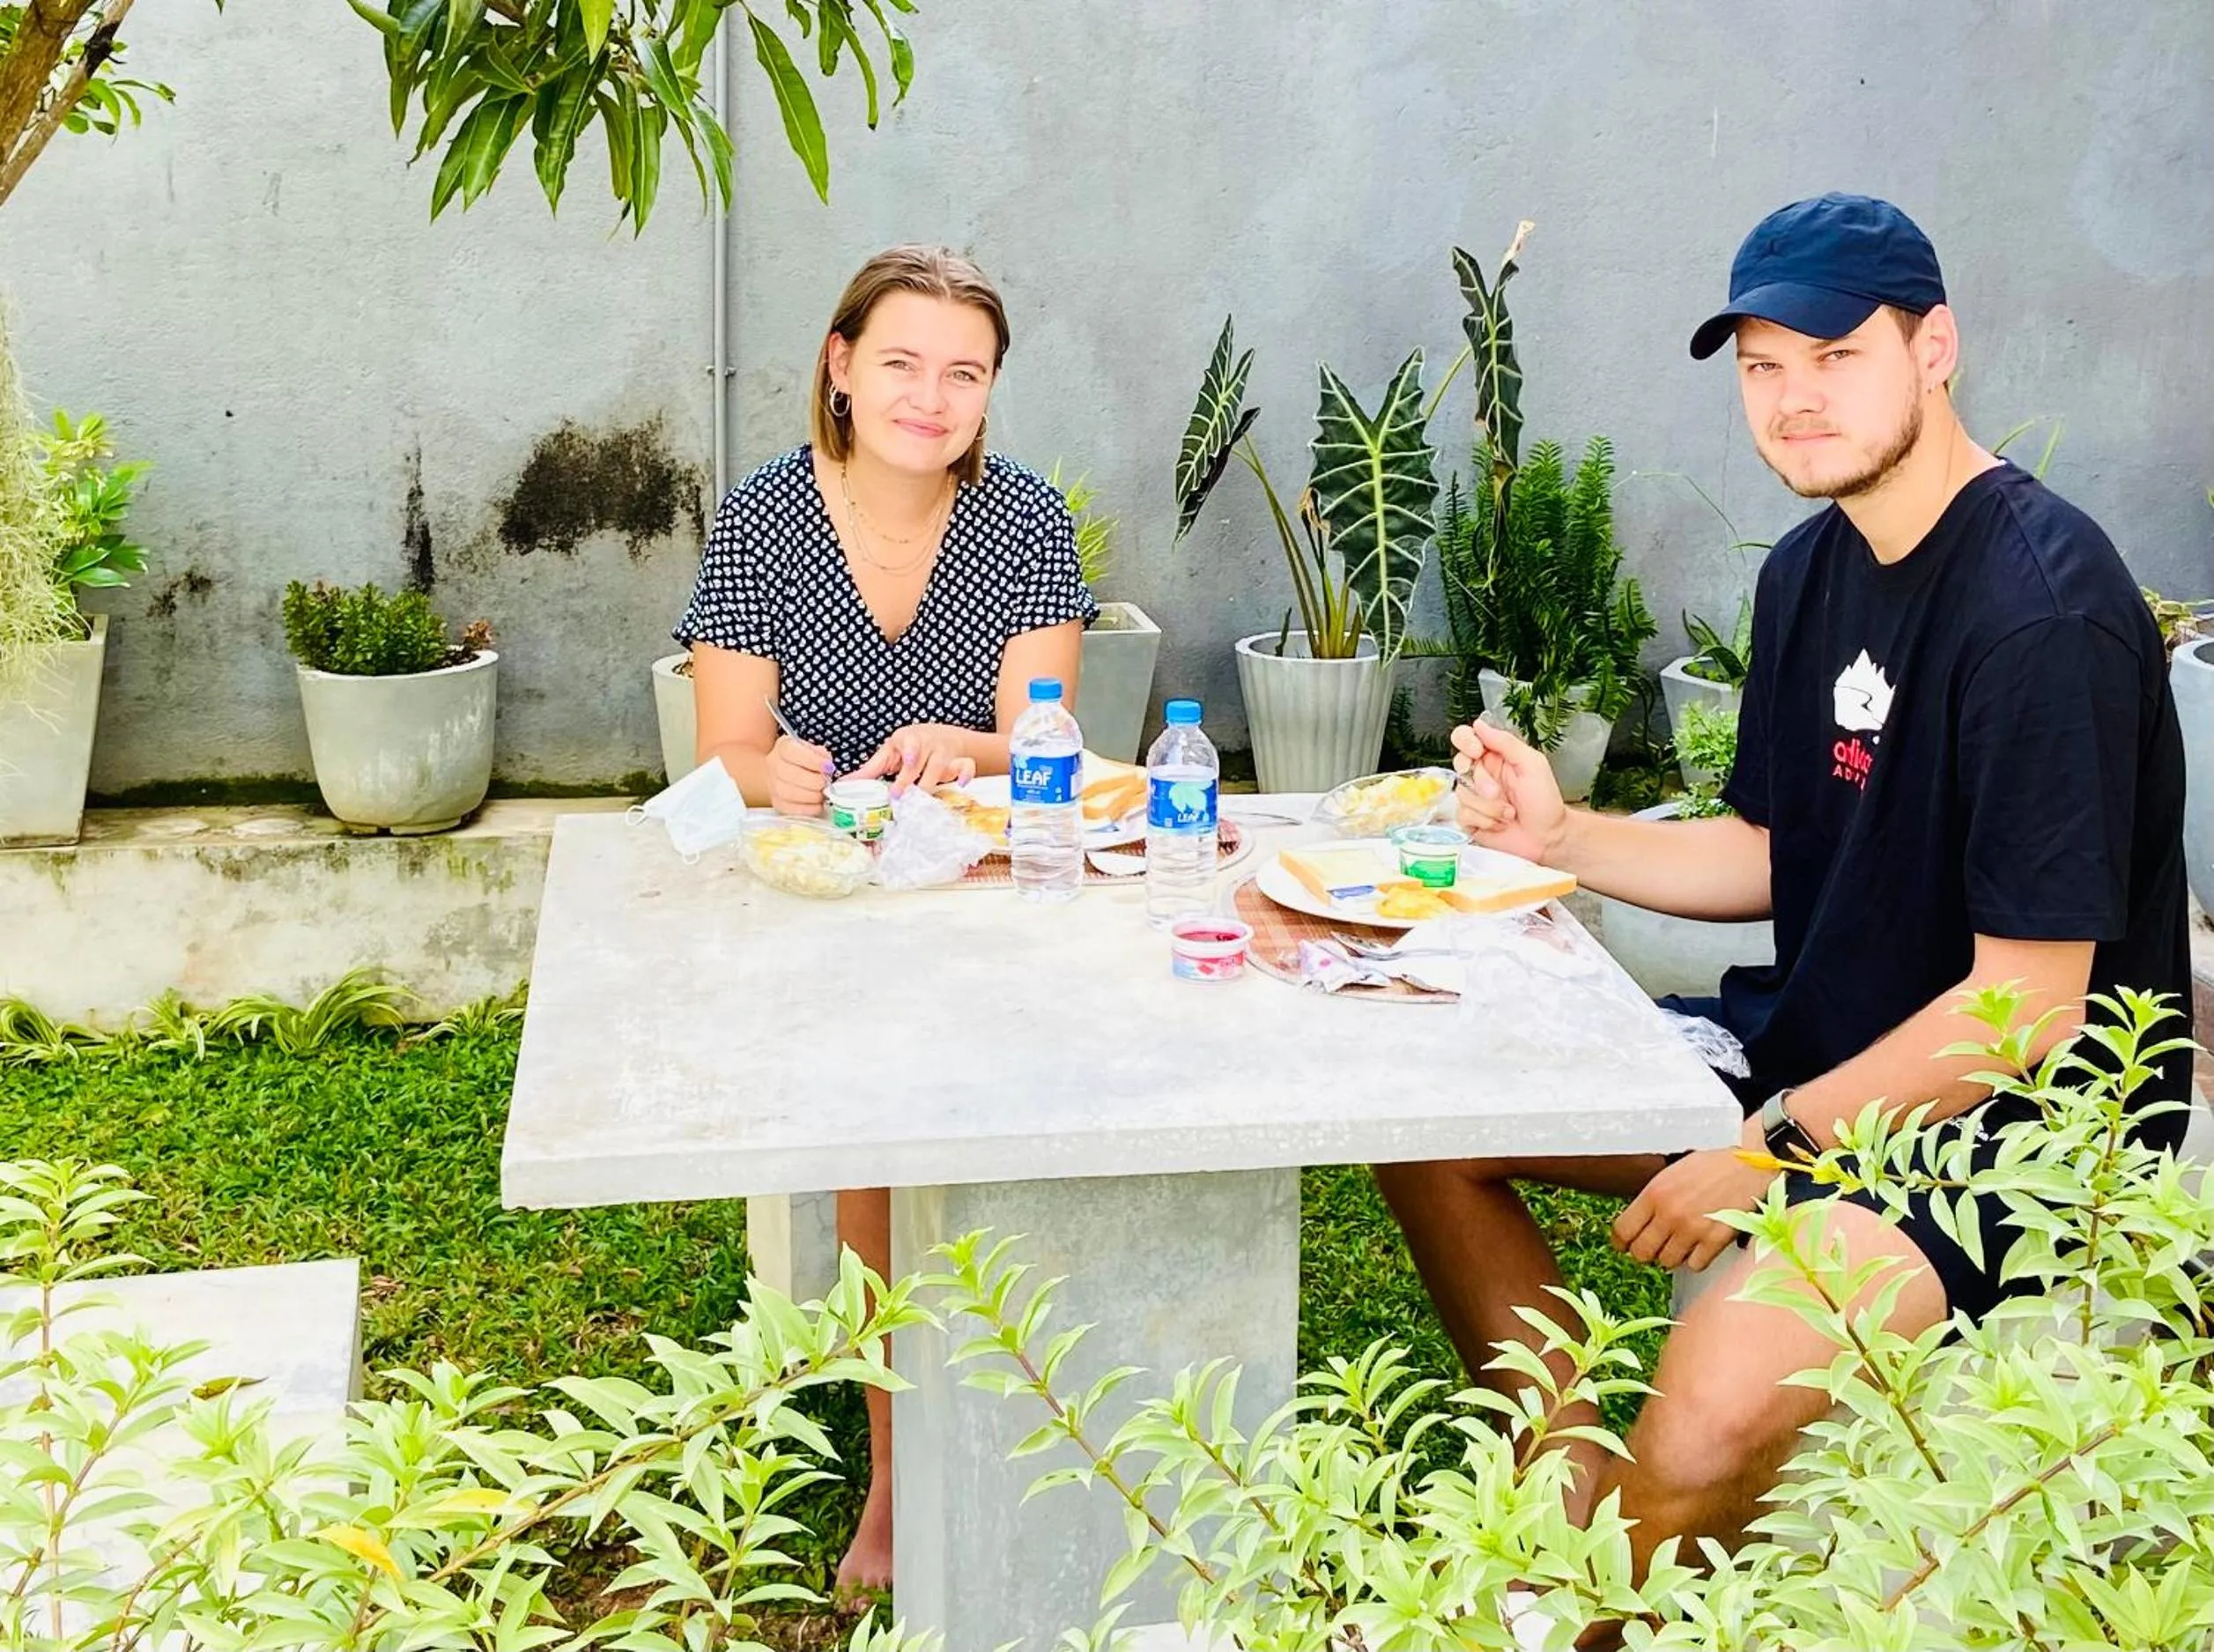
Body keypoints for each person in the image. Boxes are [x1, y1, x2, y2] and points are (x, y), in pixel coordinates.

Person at [1374, 193, 2193, 1577]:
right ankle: (1579, 1530)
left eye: (1836, 357)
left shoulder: (2043, 610)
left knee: (1703, 1412)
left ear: (1936, 349)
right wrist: (1564, 836)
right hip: (1819, 1050)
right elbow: (1774, 846)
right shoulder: (1813, 567)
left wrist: (1769, 1153)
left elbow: (2031, 1010)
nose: (1794, 400)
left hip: (2029, 1137)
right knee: (1425, 1119)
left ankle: (1587, 1602)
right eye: (1763, 366)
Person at [676, 243, 1095, 1593]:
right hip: (821, 892)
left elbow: (1045, 741)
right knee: (884, 1119)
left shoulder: (1026, 521)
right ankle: (903, 1476)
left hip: (975, 878)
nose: (932, 394)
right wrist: (778, 768)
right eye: (902, 361)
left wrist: (950, 745)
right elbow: (726, 755)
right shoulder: (761, 519)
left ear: (988, 393)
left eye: (963, 371)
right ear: (842, 368)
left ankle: (1058, 1386)